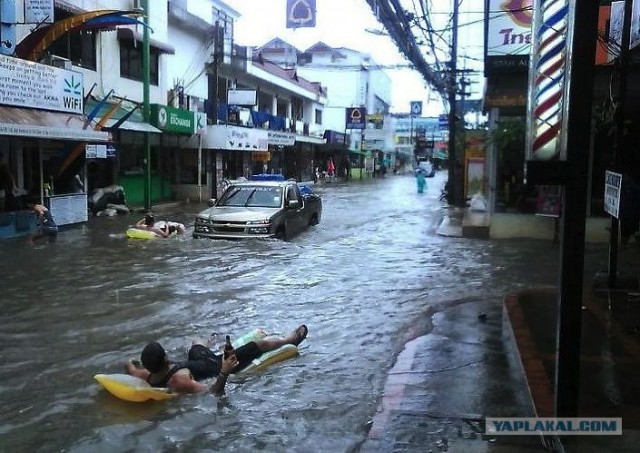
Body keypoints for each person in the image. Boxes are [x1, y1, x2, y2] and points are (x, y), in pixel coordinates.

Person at [124, 324, 308, 395]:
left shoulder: (144, 374)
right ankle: (290, 339)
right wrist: (225, 370)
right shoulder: (178, 380)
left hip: (198, 360)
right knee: (258, 345)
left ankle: (210, 342)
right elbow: (212, 392)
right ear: (165, 358)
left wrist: (132, 362)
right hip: (217, 365)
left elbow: (129, 366)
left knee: (195, 341)